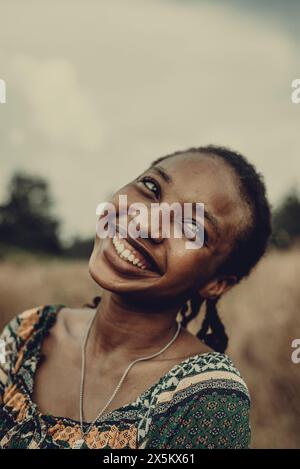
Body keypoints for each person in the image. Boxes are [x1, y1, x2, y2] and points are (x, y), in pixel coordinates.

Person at [0, 145, 271, 449]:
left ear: (217, 282)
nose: (144, 224)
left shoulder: (207, 401)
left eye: (192, 226)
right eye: (152, 187)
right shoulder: (29, 333)